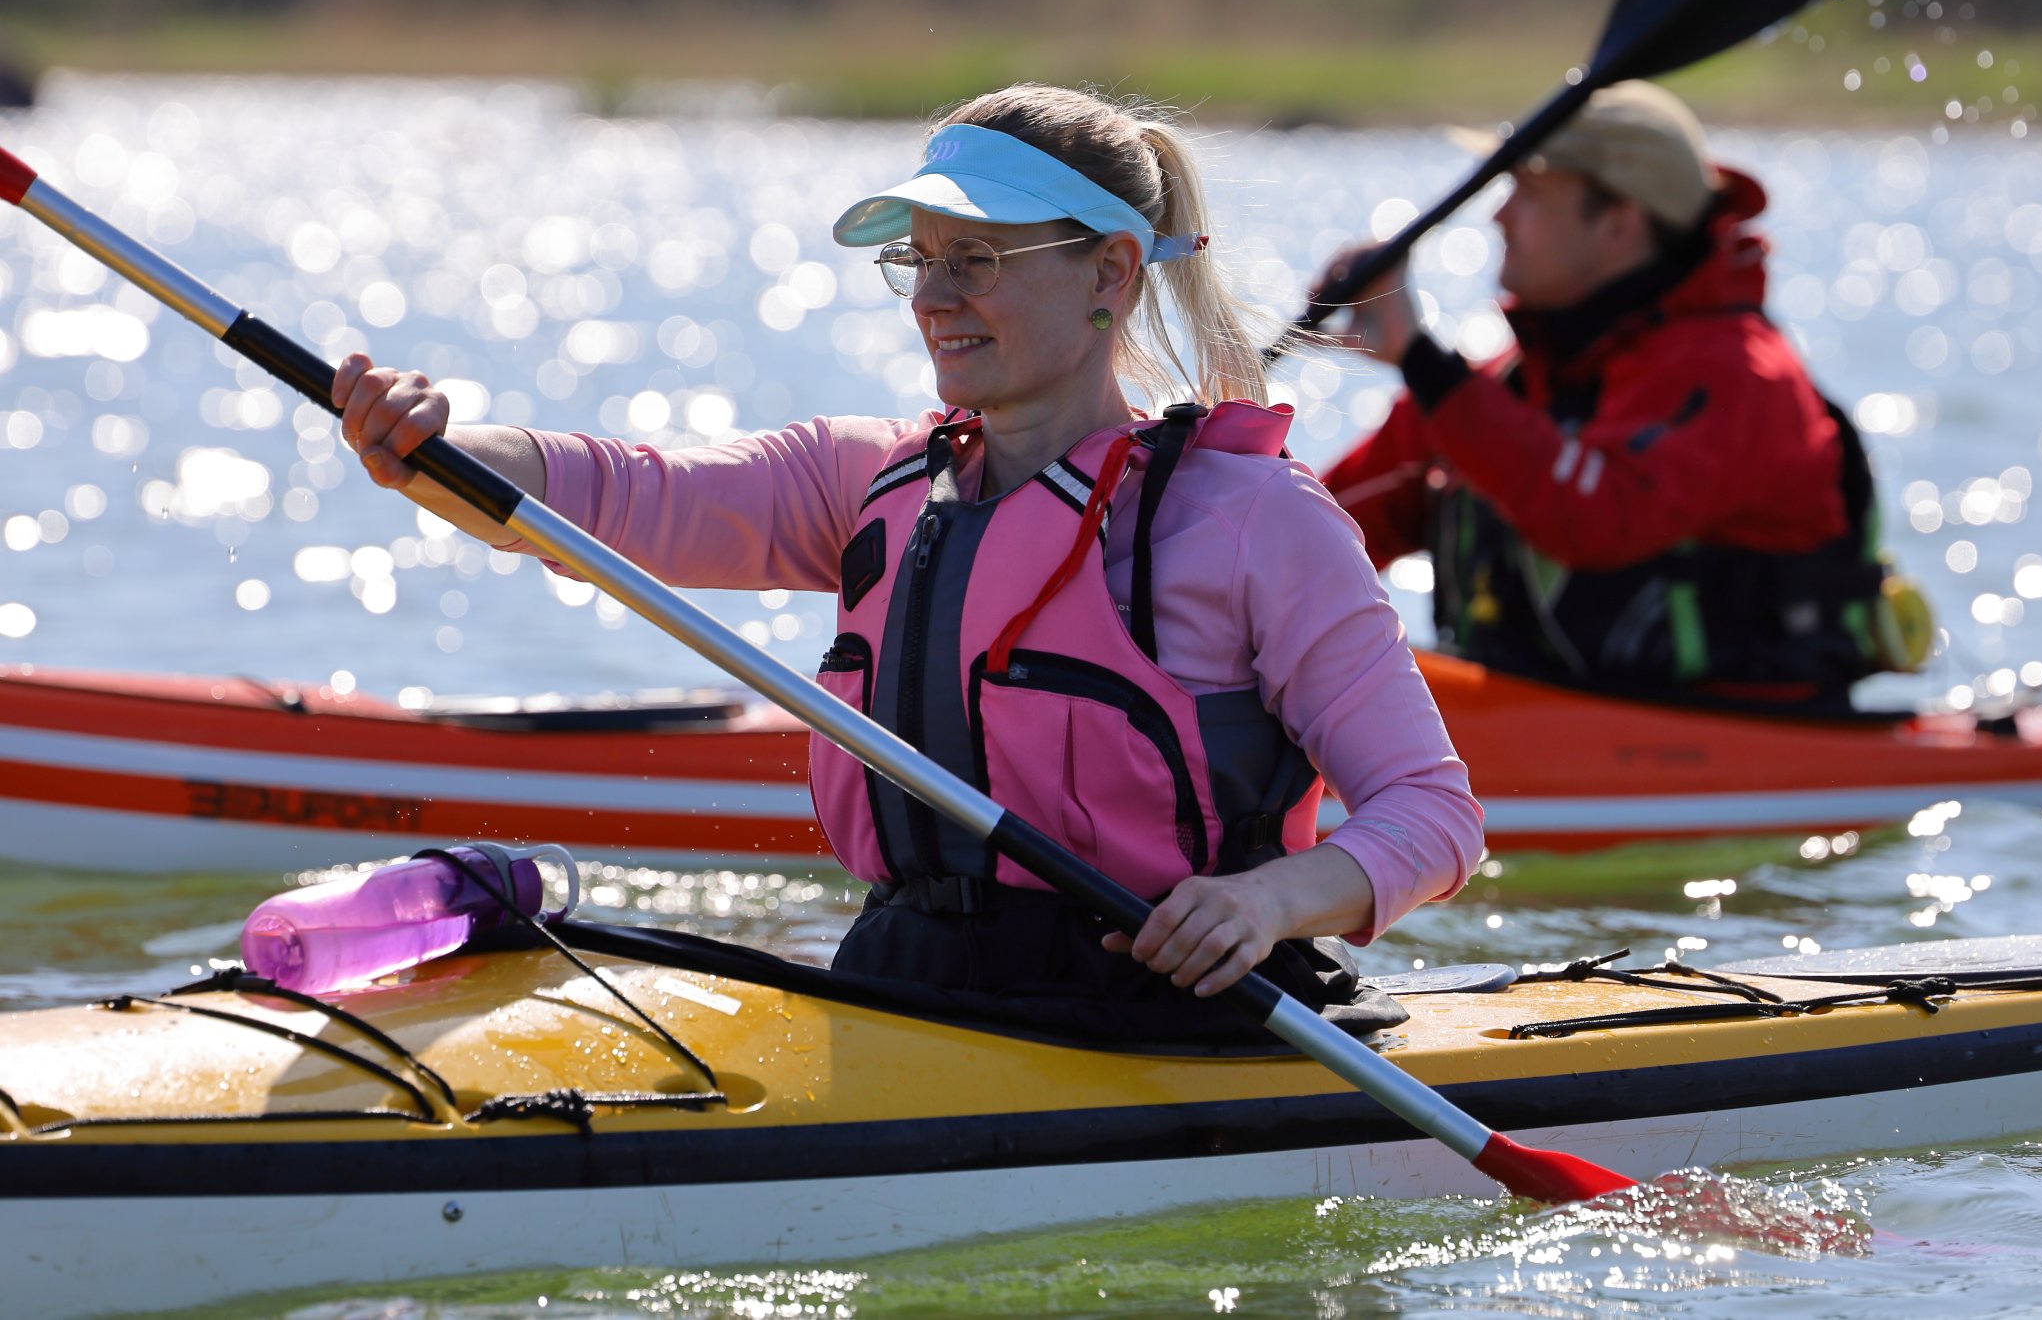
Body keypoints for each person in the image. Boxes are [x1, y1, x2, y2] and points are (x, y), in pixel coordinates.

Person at [332, 83, 1484, 1030]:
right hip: (908, 988)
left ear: (1111, 272)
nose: (931, 298)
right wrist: (432, 452)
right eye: (918, 260)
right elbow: (616, 497)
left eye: (974, 260)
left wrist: (1268, 902)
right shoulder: (868, 480)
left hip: (1170, 1015)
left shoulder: (1252, 519)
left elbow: (1431, 815)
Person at [1318, 81, 1915, 709]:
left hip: (1738, 737)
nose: (1499, 217)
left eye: (1529, 194)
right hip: (1540, 731)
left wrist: (1421, 361)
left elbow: (1598, 516)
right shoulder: (1503, 387)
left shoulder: (1740, 377)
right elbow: (1318, 534)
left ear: (1617, 225)